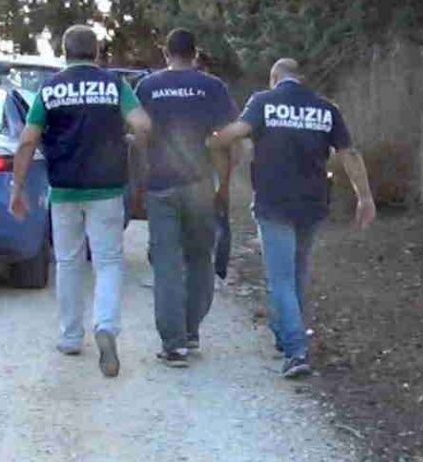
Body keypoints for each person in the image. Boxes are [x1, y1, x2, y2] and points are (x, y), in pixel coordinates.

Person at [209, 58, 376, 379]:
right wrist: (365, 197)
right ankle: (283, 333)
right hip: (313, 204)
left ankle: (296, 351)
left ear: (275, 78)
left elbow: (234, 133)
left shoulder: (263, 102)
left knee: (281, 279)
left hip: (274, 202)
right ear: (300, 78)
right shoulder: (326, 108)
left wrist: (211, 139)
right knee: (297, 273)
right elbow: (349, 154)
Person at [10, 24, 151, 378]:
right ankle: (106, 326)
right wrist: (132, 143)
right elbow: (143, 125)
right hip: (107, 189)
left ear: (64, 52)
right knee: (108, 261)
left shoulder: (50, 89)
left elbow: (27, 140)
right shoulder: (115, 85)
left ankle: (71, 337)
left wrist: (17, 188)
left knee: (69, 262)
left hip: (64, 189)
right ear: (98, 51)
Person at [134, 29, 238, 367]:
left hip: (160, 185)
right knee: (199, 258)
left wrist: (139, 181)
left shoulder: (147, 87)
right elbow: (227, 139)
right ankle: (191, 331)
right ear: (195, 54)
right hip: (199, 185)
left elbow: (139, 135)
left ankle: (173, 345)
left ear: (166, 53)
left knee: (166, 264)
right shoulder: (212, 87)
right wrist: (224, 186)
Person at [194, 49, 234, 284]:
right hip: (213, 162)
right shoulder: (216, 89)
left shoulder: (179, 87)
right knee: (219, 215)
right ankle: (219, 269)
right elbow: (231, 129)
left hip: (189, 164)